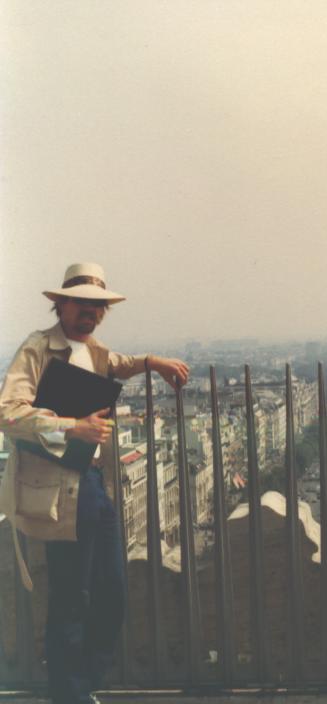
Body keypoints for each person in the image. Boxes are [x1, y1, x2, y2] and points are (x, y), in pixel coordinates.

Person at [0, 262, 190, 704]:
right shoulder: (38, 348)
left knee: (111, 591)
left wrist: (151, 363)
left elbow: (116, 363)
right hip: (59, 484)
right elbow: (8, 411)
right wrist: (71, 427)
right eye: (83, 304)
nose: (92, 314)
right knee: (72, 594)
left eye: (99, 307)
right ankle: (68, 694)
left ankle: (80, 686)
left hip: (91, 481)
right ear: (60, 304)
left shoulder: (93, 349)